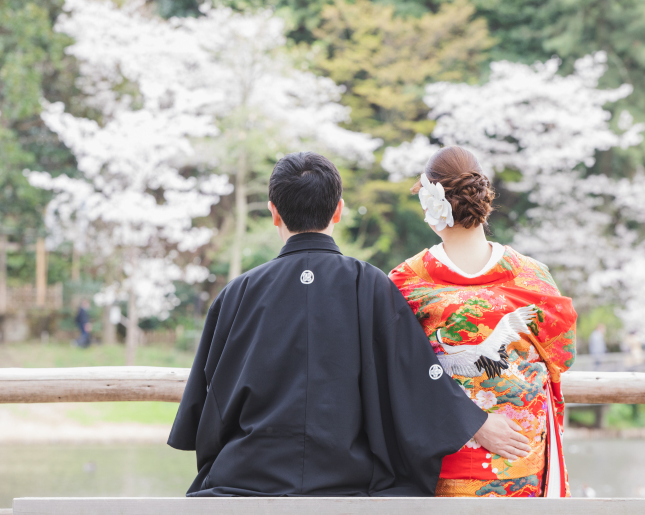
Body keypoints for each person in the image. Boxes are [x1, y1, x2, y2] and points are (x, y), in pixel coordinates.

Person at [168, 151, 530, 497]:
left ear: (274, 213)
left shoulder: (237, 294)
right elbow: (416, 376)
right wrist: (476, 422)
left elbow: (206, 407)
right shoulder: (369, 285)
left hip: (245, 480)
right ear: (338, 210)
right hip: (348, 480)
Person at [389, 146, 578, 498]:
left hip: (441, 465)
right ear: (483, 201)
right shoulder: (533, 278)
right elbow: (562, 355)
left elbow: (397, 375)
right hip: (520, 457)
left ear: (432, 209)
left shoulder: (405, 284)